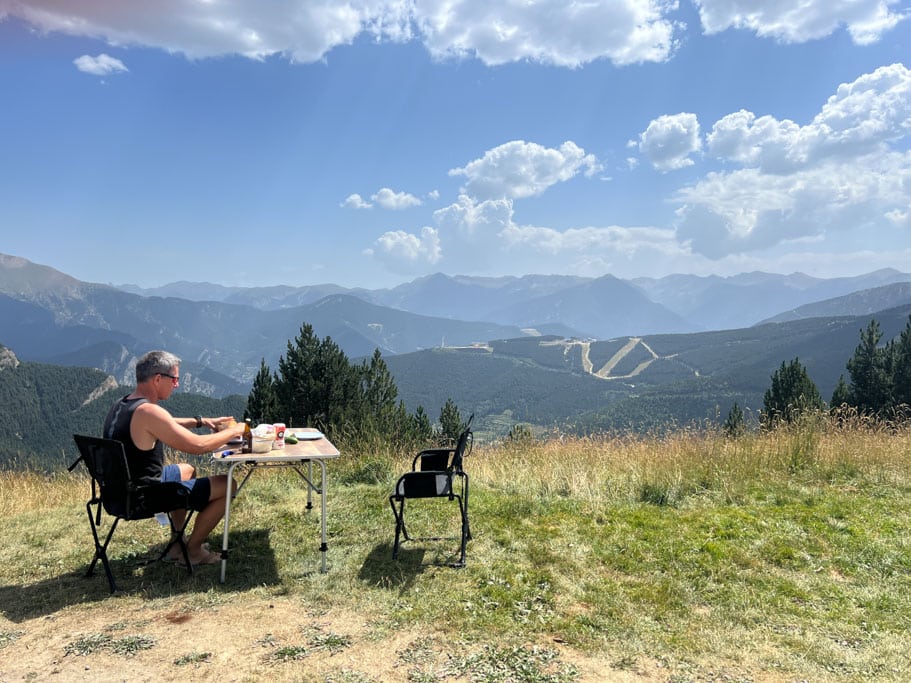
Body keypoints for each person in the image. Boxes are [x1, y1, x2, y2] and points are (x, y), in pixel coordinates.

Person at [103, 350, 245, 566]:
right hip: (142, 497)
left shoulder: (123, 404)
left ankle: (177, 544)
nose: (177, 384)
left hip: (118, 493)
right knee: (229, 484)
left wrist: (200, 421)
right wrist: (236, 431)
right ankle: (194, 551)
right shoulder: (149, 412)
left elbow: (165, 423)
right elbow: (197, 446)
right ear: (158, 379)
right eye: (175, 379)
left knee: (186, 470)